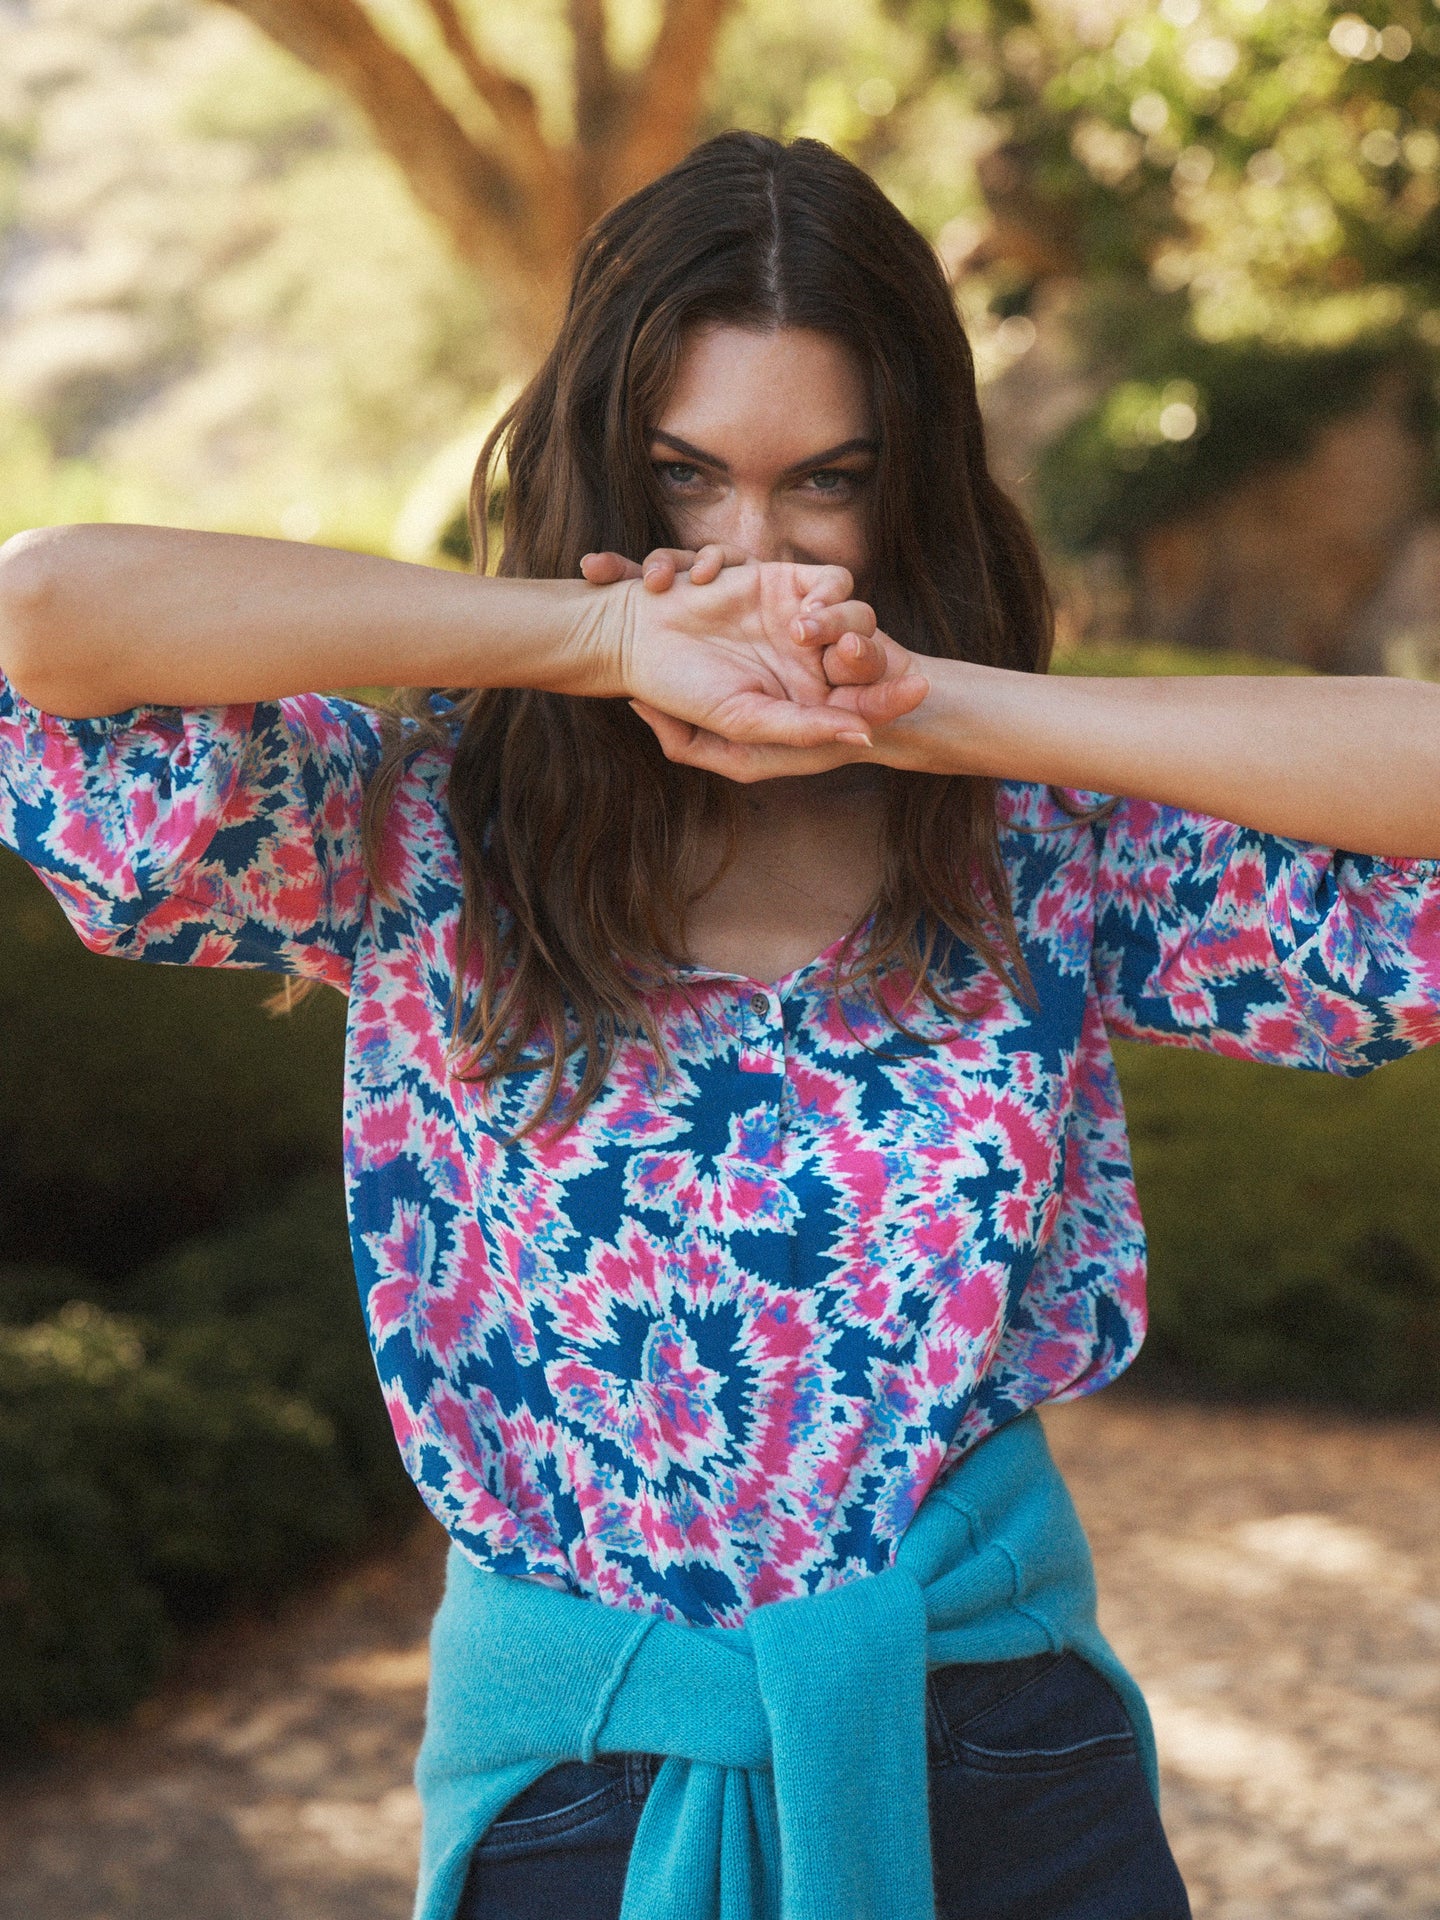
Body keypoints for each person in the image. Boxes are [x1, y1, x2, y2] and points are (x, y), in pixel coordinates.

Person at [1, 129, 1438, 1920]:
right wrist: (597, 646)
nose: (750, 558)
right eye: (685, 479)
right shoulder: (416, 820)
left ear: (909, 491)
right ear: (606, 467)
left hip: (1001, 1765)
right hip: (585, 1793)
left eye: (826, 486)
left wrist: (957, 712)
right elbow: (44, 612)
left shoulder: (1037, 848)